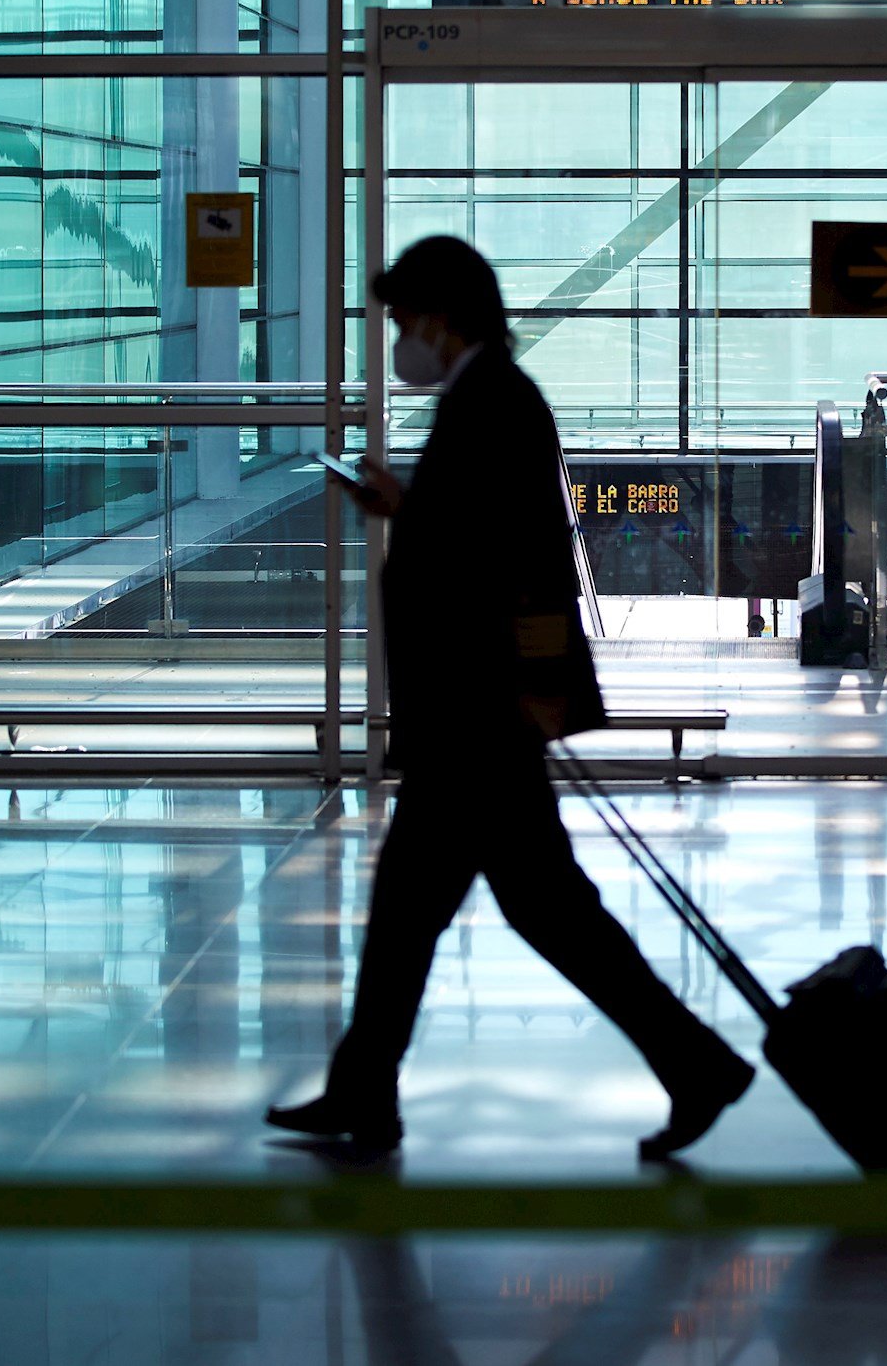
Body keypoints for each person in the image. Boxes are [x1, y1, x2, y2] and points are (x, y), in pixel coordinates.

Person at [267, 235, 754, 1159]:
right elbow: (482, 536)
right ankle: (364, 1089)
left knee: (521, 909)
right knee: (474, 906)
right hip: (475, 712)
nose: (400, 340)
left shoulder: (495, 403)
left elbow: (516, 561)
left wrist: (530, 691)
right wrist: (405, 509)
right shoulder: (488, 399)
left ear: (445, 319)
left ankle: (692, 1064)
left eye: (405, 321)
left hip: (477, 716)